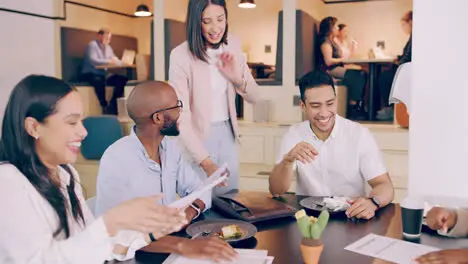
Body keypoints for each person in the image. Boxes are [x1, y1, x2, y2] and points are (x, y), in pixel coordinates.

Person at [0, 75, 187, 263]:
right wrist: (109, 223)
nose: (83, 132)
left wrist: (150, 234)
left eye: (82, 121)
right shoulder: (8, 182)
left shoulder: (66, 174)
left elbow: (94, 246)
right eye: (72, 122)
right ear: (34, 127)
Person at [95, 81, 236, 262]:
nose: (181, 113)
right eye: (177, 106)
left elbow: (201, 190)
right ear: (158, 118)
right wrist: (183, 245)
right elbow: (115, 234)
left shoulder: (169, 147)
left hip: (168, 250)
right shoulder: (116, 158)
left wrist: (190, 211)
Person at [269, 70, 394, 220]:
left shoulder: (359, 134)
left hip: (351, 216)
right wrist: (287, 161)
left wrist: (373, 202)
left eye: (330, 104)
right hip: (309, 218)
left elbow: (385, 186)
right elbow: (276, 190)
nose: (324, 113)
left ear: (336, 100)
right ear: (303, 106)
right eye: (315, 106)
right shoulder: (294, 134)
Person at [169, 0, 261, 195]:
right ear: (196, 22)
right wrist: (206, 162)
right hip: (197, 139)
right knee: (201, 204)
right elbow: (181, 116)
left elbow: (255, 96)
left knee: (231, 199)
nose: (215, 28)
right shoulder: (180, 55)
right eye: (206, 21)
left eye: (221, 19)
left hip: (227, 134)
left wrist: (236, 79)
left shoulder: (233, 44)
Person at [318, 16, 367, 120]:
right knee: (357, 75)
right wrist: (342, 60)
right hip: (329, 70)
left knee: (362, 73)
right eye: (335, 26)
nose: (337, 28)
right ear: (330, 27)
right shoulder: (325, 41)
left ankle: (357, 105)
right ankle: (353, 106)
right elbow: (328, 61)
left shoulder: (332, 41)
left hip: (337, 68)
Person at [81, 28, 129, 115]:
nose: (108, 40)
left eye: (109, 38)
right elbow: (93, 60)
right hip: (90, 73)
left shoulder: (108, 47)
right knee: (99, 81)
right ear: (99, 36)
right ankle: (104, 106)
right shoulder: (92, 45)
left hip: (103, 74)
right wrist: (109, 61)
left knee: (122, 80)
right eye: (106, 38)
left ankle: (113, 104)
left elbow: (113, 59)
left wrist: (123, 62)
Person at [376, 11, 413, 121]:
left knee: (384, 77)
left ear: (410, 22)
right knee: (385, 75)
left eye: (403, 24)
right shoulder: (413, 36)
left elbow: (407, 57)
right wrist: (398, 58)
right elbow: (407, 54)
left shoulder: (415, 36)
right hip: (407, 68)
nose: (403, 28)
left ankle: (389, 108)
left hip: (407, 70)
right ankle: (389, 107)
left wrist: (398, 63)